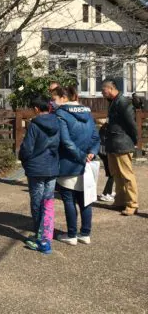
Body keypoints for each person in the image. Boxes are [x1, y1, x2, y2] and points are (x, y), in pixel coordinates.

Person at [52, 86, 100, 245]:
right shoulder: (87, 112)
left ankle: (72, 234)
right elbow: (95, 137)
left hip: (68, 163)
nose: (53, 102)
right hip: (86, 164)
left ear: (63, 98)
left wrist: (81, 157)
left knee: (69, 200)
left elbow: (66, 141)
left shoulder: (61, 113)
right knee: (86, 199)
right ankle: (85, 233)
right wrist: (91, 153)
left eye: (54, 98)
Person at [19, 95, 60, 254]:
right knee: (48, 202)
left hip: (36, 168)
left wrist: (23, 159)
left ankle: (40, 237)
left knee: (37, 202)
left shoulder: (34, 125)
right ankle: (46, 236)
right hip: (52, 167)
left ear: (36, 109)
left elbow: (27, 148)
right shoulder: (58, 122)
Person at [101, 79, 139, 216]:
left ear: (110, 88)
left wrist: (135, 140)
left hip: (123, 143)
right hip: (113, 144)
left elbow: (131, 123)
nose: (102, 93)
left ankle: (132, 204)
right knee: (116, 174)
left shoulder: (123, 102)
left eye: (103, 89)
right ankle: (120, 200)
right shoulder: (113, 102)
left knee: (127, 175)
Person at [98, 123, 115, 202]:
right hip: (106, 152)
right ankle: (106, 194)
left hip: (102, 152)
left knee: (111, 173)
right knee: (112, 174)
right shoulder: (110, 127)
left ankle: (109, 191)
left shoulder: (104, 126)